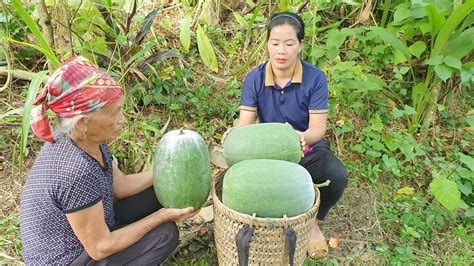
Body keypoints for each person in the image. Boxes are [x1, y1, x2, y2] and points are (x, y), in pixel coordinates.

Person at [20, 56, 196, 265]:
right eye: (115, 113)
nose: (122, 119)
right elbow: (100, 247)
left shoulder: (87, 138)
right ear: (84, 122)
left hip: (96, 226)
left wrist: (171, 169)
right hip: (70, 257)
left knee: (161, 192)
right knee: (165, 234)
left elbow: (121, 187)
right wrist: (161, 216)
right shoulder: (75, 171)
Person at [222, 12, 348, 259]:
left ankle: (313, 222)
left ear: (300, 45)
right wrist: (234, 135)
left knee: (336, 176)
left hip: (306, 148)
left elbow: (318, 129)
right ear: (267, 43)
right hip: (267, 154)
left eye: (289, 43)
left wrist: (299, 138)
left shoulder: (315, 78)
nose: (281, 50)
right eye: (275, 43)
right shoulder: (254, 78)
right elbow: (245, 125)